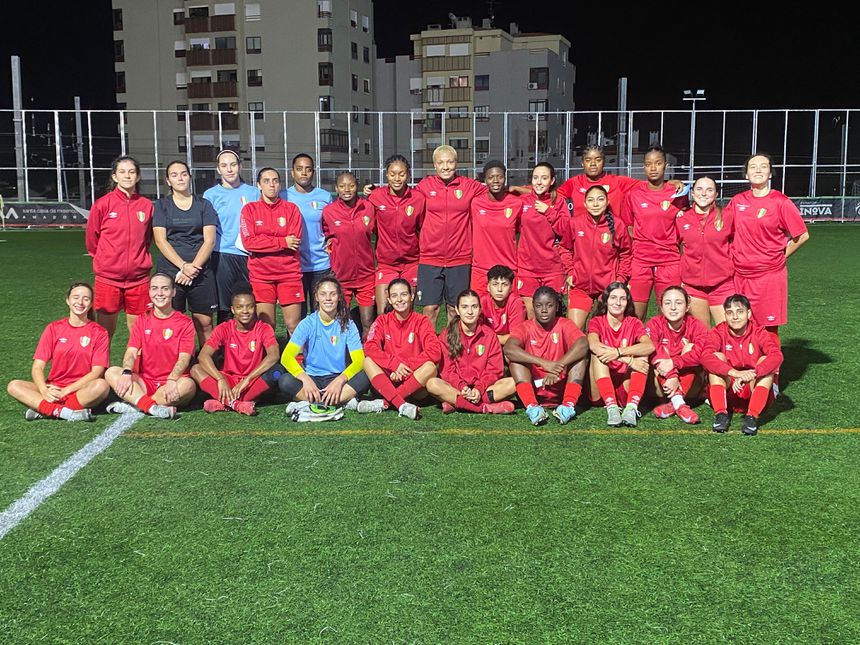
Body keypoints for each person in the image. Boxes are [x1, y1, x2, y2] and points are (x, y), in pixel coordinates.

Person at [724, 153, 809, 331]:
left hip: (768, 276)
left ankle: (770, 351)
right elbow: (724, 232)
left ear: (770, 173)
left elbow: (802, 236)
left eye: (763, 166)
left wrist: (781, 256)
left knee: (768, 330)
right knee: (740, 327)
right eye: (753, 167)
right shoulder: (737, 201)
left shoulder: (780, 202)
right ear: (746, 174)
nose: (758, 170)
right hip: (740, 275)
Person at [7, 282, 109, 422]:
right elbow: (37, 367)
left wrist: (67, 390)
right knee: (14, 386)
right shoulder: (53, 328)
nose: (80, 302)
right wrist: (44, 390)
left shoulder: (99, 332)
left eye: (86, 299)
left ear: (91, 304)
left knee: (101, 386)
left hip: (80, 390)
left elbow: (97, 372)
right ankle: (66, 412)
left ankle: (46, 409)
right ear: (68, 300)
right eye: (76, 297)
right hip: (53, 388)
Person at [413, 145, 488, 327]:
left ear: (456, 163)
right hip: (430, 258)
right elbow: (405, 198)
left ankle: (452, 344)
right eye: (441, 163)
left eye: (450, 162)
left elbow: (497, 189)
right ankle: (429, 344)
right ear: (434, 165)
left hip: (459, 259)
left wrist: (528, 191)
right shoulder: (425, 186)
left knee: (454, 309)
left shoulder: (469, 186)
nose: (445, 167)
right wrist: (372, 191)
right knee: (430, 309)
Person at [104, 273, 197, 418]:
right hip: (145, 382)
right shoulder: (142, 319)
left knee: (188, 386)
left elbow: (184, 358)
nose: (159, 293)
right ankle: (152, 407)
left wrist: (172, 380)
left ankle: (138, 404)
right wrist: (127, 372)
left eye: (165, 289)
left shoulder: (185, 322)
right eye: (154, 288)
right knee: (112, 372)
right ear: (149, 292)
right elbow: (131, 351)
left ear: (173, 292)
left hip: (173, 382)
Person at [85, 155, 153, 340]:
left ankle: (138, 361)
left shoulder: (147, 205)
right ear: (114, 177)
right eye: (122, 172)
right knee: (104, 334)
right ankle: (101, 361)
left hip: (139, 279)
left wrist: (138, 260)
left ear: (138, 176)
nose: (127, 176)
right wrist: (107, 261)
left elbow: (147, 239)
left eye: (132, 172)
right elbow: (92, 240)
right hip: (108, 279)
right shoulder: (102, 204)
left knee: (140, 334)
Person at [277, 277, 371, 408]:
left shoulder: (348, 324)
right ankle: (338, 400)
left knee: (367, 375)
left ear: (339, 297)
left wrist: (340, 380)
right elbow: (286, 357)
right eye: (323, 294)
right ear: (316, 297)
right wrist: (305, 379)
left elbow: (359, 360)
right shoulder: (307, 323)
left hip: (337, 377)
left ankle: (315, 401)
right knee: (285, 380)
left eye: (333, 294)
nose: (328, 298)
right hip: (312, 377)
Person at [153, 160, 218, 345]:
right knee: (171, 323)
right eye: (174, 175)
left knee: (204, 323)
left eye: (183, 174)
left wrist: (193, 268)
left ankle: (206, 359)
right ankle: (177, 359)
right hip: (171, 272)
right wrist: (183, 266)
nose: (180, 178)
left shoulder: (204, 205)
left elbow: (209, 240)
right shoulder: (161, 205)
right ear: (168, 181)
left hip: (200, 271)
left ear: (190, 177)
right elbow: (160, 240)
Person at [620, 145, 688, 319]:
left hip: (669, 259)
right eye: (649, 164)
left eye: (658, 163)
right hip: (641, 260)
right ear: (644, 167)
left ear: (665, 165)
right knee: (634, 316)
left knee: (670, 315)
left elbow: (686, 222)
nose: (653, 168)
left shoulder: (677, 192)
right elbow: (628, 225)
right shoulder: (633, 194)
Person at [504, 286, 589, 426]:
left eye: (549, 305)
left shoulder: (564, 324)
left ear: (557, 307)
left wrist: (557, 367)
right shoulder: (525, 327)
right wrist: (544, 363)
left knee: (580, 359)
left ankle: (567, 406)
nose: (544, 310)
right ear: (533, 306)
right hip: (534, 386)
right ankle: (532, 407)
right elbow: (508, 349)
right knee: (515, 361)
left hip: (560, 383)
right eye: (539, 306)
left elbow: (583, 344)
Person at [701, 294, 783, 435]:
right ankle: (721, 415)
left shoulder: (759, 332)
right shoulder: (718, 331)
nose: (735, 317)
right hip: (729, 388)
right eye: (730, 313)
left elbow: (777, 356)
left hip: (753, 389)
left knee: (765, 361)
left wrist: (754, 373)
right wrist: (734, 372)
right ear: (725, 315)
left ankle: (752, 417)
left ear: (748, 313)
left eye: (740, 312)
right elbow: (705, 357)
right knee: (717, 357)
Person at [191, 287, 279, 415]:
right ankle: (237, 404)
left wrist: (248, 379)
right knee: (195, 369)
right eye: (240, 307)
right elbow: (203, 356)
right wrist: (220, 379)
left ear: (255, 308)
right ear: (233, 310)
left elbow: (274, 355)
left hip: (253, 380)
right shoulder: (224, 328)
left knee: (277, 372)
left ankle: (224, 402)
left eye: (249, 307)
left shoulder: (264, 328)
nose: (245, 311)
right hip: (229, 380)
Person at [426, 290, 516, 414]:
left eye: (474, 307)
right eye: (464, 307)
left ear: (480, 310)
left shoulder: (489, 335)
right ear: (457, 310)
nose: (470, 312)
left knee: (512, 383)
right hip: (457, 388)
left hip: (484, 388)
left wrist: (479, 389)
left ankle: (456, 403)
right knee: (432, 384)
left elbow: (495, 370)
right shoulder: (447, 334)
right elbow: (447, 371)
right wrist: (462, 387)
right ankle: (484, 408)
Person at [363, 279, 442, 419]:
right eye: (394, 296)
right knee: (367, 361)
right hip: (390, 378)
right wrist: (394, 365)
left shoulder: (422, 321)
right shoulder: (382, 320)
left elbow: (434, 351)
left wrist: (405, 368)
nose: (399, 299)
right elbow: (369, 347)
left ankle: (386, 403)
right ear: (389, 299)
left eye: (404, 294)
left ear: (412, 296)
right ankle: (401, 404)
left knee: (430, 367)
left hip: (414, 381)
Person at [239, 167, 303, 335]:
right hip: (261, 275)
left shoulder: (292, 209)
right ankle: (269, 353)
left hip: (289, 273)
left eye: (275, 181)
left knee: (293, 325)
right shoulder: (249, 210)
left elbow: (294, 240)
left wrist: (264, 241)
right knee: (267, 326)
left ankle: (296, 353)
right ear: (259, 185)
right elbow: (249, 242)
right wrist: (282, 241)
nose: (271, 185)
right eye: (266, 181)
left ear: (280, 184)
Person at [562, 184, 632, 330]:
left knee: (604, 332)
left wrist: (619, 279)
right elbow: (565, 248)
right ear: (584, 203)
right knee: (574, 332)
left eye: (600, 199)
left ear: (607, 202)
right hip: (580, 286)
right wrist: (570, 272)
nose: (595, 204)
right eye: (591, 200)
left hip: (607, 288)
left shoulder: (618, 225)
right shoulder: (575, 223)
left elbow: (626, 254)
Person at [203, 149, 259, 324]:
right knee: (226, 307)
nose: (229, 169)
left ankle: (252, 340)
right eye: (224, 165)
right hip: (222, 255)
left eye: (233, 164)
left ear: (240, 167)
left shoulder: (254, 193)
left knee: (250, 303)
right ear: (218, 169)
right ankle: (225, 341)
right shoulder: (210, 195)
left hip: (249, 255)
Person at [587, 282, 655, 427]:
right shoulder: (596, 322)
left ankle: (631, 408)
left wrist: (618, 353)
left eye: (622, 299)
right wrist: (626, 359)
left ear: (627, 302)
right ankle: (612, 408)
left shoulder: (634, 322)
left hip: (625, 386)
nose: (618, 303)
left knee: (642, 355)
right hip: (600, 391)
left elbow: (649, 346)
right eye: (613, 298)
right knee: (597, 355)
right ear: (606, 300)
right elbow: (593, 345)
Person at [367, 154, 425, 314]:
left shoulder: (418, 199)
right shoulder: (375, 197)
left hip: (411, 263)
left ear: (408, 175)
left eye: (401, 174)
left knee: (406, 310)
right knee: (383, 312)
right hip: (386, 264)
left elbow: (422, 228)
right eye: (392, 174)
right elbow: (370, 225)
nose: (397, 178)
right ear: (386, 174)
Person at [322, 172, 376, 338]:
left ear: (357, 186)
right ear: (336, 188)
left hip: (366, 275)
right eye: (342, 186)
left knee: (367, 322)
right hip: (341, 277)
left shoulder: (368, 208)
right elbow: (324, 237)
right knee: (340, 323)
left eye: (351, 186)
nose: (347, 189)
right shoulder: (329, 212)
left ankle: (367, 353)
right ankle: (342, 353)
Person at [644, 286, 708, 424]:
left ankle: (675, 402)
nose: (673, 307)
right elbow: (652, 351)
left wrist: (673, 363)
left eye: (678, 303)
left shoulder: (696, 326)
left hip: (689, 387)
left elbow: (701, 353)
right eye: (668, 303)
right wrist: (672, 375)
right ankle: (679, 403)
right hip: (662, 385)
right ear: (661, 307)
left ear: (687, 306)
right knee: (658, 353)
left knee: (690, 348)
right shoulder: (654, 324)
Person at [676, 176, 734, 327]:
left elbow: (739, 244)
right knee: (702, 334)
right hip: (693, 287)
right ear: (692, 193)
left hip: (722, 285)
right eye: (699, 189)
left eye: (709, 190)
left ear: (716, 194)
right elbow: (672, 248)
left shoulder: (728, 216)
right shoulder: (682, 218)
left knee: (727, 332)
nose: (703, 193)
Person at [280, 153, 334, 315]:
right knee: (298, 316)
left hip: (320, 264)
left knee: (322, 313)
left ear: (313, 172)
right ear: (292, 172)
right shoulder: (283, 196)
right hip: (294, 265)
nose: (304, 173)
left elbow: (331, 228)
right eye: (299, 169)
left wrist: (331, 245)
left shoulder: (324, 197)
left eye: (308, 169)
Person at [517, 162, 568, 319]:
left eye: (544, 178)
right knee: (531, 314)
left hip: (552, 268)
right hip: (527, 267)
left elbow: (566, 231)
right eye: (535, 178)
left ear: (552, 181)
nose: (539, 182)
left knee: (552, 315)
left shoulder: (559, 202)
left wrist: (549, 212)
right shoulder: (523, 201)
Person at [469, 160, 522, 297]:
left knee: (510, 309)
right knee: (480, 308)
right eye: (491, 177)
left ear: (505, 178)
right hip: (481, 269)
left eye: (500, 177)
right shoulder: (475, 203)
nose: (496, 181)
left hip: (508, 268)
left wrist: (521, 189)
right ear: (485, 180)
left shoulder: (516, 203)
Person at [480, 265, 526, 346]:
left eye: (504, 284)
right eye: (495, 284)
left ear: (511, 287)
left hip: (508, 345)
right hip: (487, 344)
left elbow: (516, 337)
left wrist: (490, 338)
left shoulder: (516, 302)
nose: (499, 289)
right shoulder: (482, 301)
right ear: (488, 287)